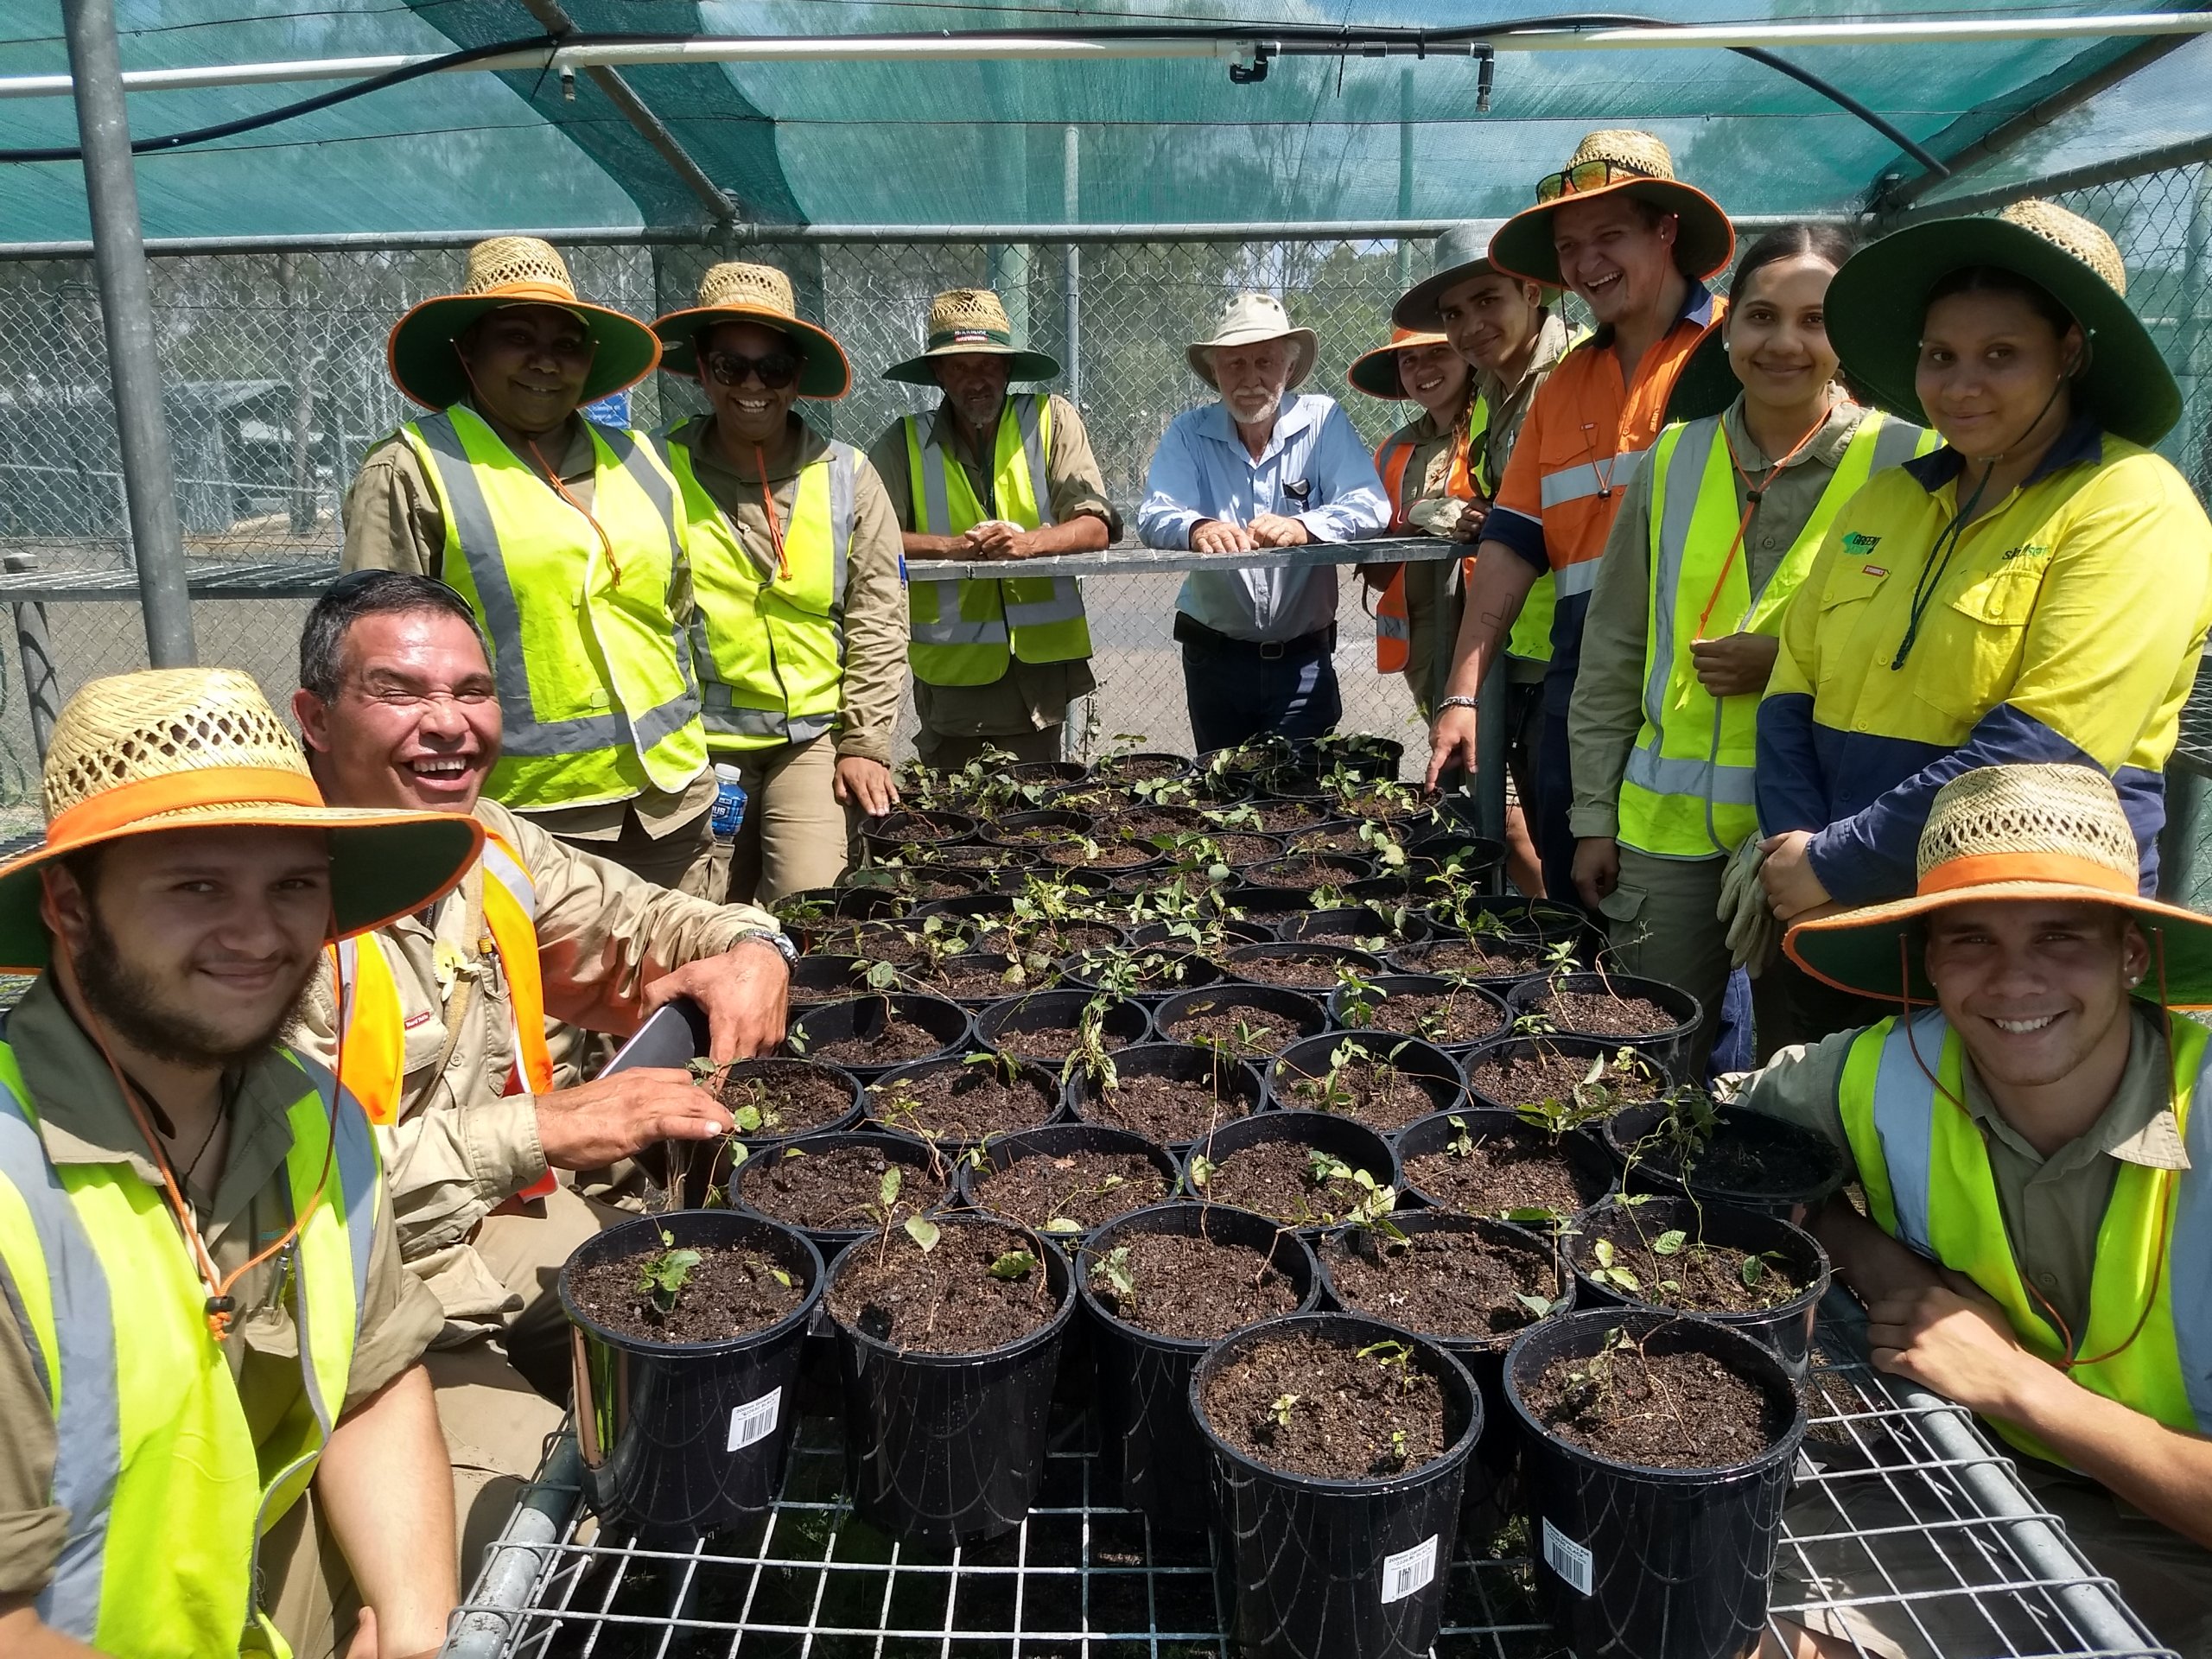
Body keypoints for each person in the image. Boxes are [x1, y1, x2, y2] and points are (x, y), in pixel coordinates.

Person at [288, 570, 796, 1565]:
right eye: (400, 692)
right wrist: (546, 1129)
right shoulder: (264, 919)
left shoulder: (488, 844)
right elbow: (282, 1203)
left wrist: (752, 946)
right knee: (546, 1518)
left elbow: (637, 921)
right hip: (344, 1290)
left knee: (683, 1324)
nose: (448, 723)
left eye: (472, 691)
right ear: (314, 718)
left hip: (486, 1219)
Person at [0, 667, 484, 1659]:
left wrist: (415, 1625)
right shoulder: (16, 1193)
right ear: (69, 907)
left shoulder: (315, 1113)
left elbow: (373, 1378)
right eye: (197, 886)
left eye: (294, 885)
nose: (260, 936)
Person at [1737, 764, 2212, 1659]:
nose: (2013, 981)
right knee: (1732, 1623)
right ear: (1929, 962)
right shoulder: (1879, 1070)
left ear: (2132, 955)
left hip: (2180, 1537)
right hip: (1981, 1483)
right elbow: (1711, 1138)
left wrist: (2015, 1384)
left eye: (2060, 936)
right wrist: (1872, 1259)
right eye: (1970, 939)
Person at [1753, 200, 2212, 1051]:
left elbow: (2049, 745)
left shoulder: (2131, 504)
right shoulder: (1887, 500)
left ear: (2068, 352)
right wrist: (1796, 851)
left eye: (2001, 354)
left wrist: (1833, 863)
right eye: (1940, 356)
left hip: (2021, 929)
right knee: (1841, 1107)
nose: (1960, 386)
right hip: (1835, 918)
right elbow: (1790, 688)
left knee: (2005, 1114)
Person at [1565, 226, 1934, 1074]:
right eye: (1762, 316)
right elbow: (1613, 651)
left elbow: (1924, 664)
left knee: (1808, 1073)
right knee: (1649, 1059)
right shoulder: (1671, 458)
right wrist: (1592, 820)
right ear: (1727, 327)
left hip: (1823, 839)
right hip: (1665, 837)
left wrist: (1783, 669)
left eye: (1815, 320)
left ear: (1849, 337)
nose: (1784, 343)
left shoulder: (1912, 462)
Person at [342, 236, 716, 893]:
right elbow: (375, 663)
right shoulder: (412, 468)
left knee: (684, 957)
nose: (546, 361)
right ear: (468, 351)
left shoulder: (642, 459)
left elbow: (679, 613)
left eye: (567, 344)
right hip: (521, 815)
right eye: (517, 338)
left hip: (670, 804)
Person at [1425, 131, 1734, 903]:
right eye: (1569, 247)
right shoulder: (1564, 386)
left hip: (1710, 672)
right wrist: (1462, 693)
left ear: (1666, 230)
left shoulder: (1740, 350)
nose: (1587, 262)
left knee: (1699, 904)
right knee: (1579, 898)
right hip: (1583, 671)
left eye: (1609, 235)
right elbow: (1512, 542)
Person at [652, 263, 907, 903]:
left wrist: (864, 742)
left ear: (796, 379)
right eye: (730, 367)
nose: (752, 386)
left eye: (772, 369)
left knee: (807, 901)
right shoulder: (651, 469)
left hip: (811, 739)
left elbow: (878, 616)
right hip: (693, 743)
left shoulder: (848, 475)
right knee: (694, 913)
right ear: (703, 372)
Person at [1385, 225, 1580, 893]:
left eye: (1487, 300)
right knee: (1552, 838)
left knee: (1581, 849)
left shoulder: (1576, 375)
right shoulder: (1495, 396)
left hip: (1582, 657)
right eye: (1452, 313)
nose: (1470, 326)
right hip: (1523, 649)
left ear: (1531, 290)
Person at [868, 289, 1117, 769]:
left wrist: (1028, 544)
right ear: (939, 375)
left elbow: (1095, 527)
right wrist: (951, 548)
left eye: (987, 364)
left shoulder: (1050, 420)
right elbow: (867, 535)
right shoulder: (904, 440)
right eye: (959, 367)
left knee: (1035, 794)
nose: (976, 379)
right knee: (954, 798)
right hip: (953, 672)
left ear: (1007, 369)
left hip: (1039, 668)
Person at [1137, 292, 1390, 751]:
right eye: (1234, 364)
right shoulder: (1188, 432)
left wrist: (1306, 527)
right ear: (1215, 372)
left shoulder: (1322, 420)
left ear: (1288, 369)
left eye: (1264, 362)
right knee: (1222, 785)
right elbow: (1156, 513)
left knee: (1298, 786)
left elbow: (1369, 504)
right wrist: (1198, 528)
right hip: (1215, 658)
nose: (1250, 379)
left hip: (1302, 660)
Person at [1349, 322, 1477, 716]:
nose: (1424, 369)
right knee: (1446, 735)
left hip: (1491, 617)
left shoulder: (1494, 429)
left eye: (1438, 352)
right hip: (1423, 630)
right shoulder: (1392, 451)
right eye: (1409, 359)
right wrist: (1414, 523)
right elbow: (1376, 573)